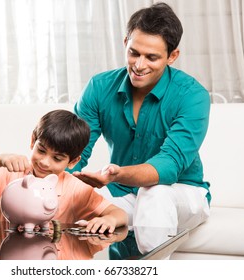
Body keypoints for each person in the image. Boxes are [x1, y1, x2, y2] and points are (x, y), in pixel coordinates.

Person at [70, 2, 211, 229]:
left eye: (151, 57)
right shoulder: (98, 87)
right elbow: (73, 149)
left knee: (154, 196)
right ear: (125, 43)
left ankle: (152, 267)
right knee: (73, 207)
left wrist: (116, 174)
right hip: (124, 192)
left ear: (172, 56)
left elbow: (168, 166)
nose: (139, 64)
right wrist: (52, 186)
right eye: (134, 53)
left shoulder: (193, 96)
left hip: (180, 191)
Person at [0, 109, 128, 234]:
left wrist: (109, 220)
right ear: (32, 141)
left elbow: (120, 214)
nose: (44, 162)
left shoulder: (75, 188)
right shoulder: (8, 174)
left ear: (73, 162)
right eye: (41, 150)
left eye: (57, 158)